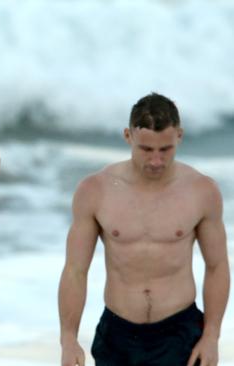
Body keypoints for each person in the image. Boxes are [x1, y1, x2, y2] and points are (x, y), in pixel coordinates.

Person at [58, 93, 230, 366]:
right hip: (117, 332)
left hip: (180, 332)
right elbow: (75, 270)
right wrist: (68, 339)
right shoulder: (95, 190)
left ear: (180, 136)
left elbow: (218, 265)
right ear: (128, 136)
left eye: (166, 149)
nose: (156, 161)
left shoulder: (201, 191)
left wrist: (211, 336)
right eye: (146, 150)